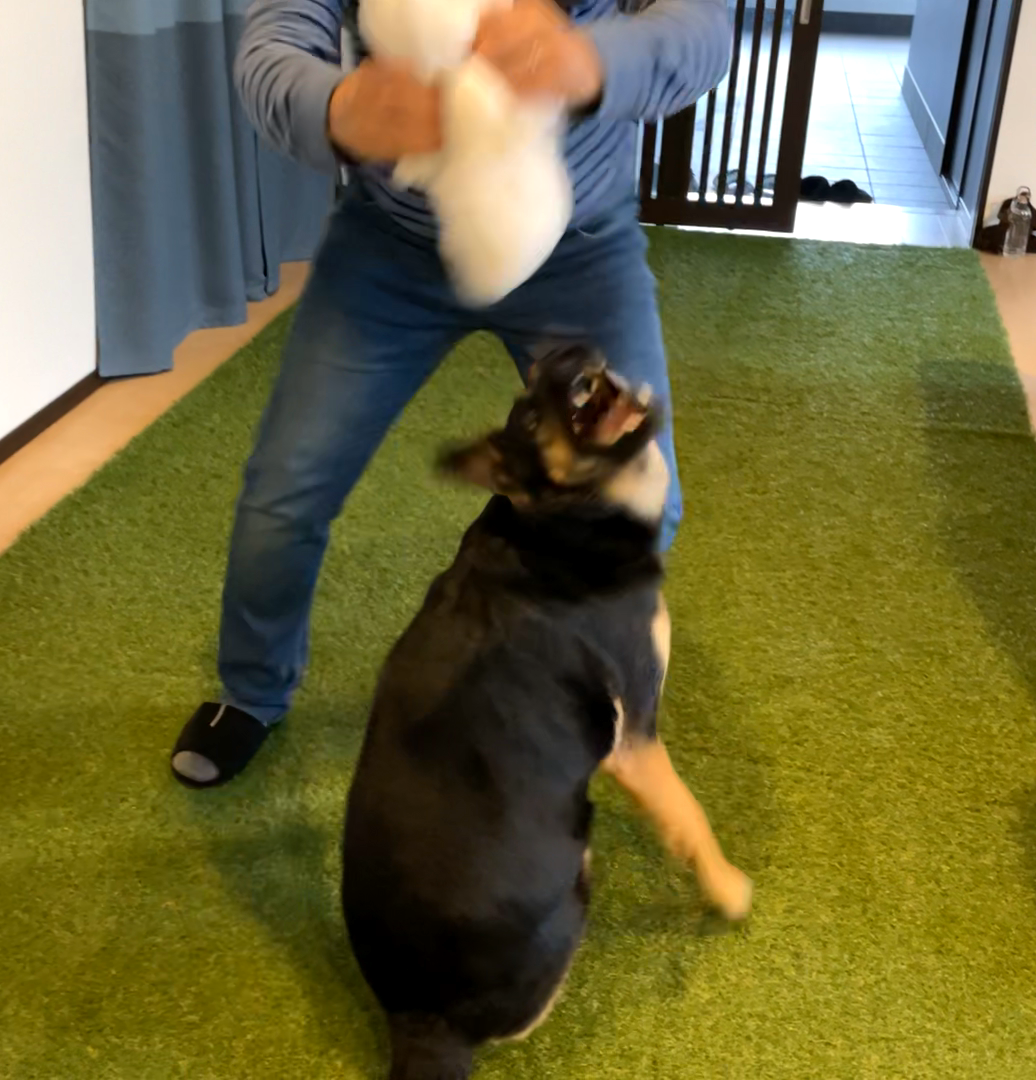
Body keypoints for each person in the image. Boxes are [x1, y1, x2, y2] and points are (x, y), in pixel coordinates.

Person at [171, 0, 731, 787]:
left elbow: (702, 27)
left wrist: (588, 61)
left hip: (577, 243)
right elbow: (275, 37)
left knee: (644, 498)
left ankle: (576, 679)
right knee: (286, 491)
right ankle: (253, 690)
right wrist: (336, 107)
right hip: (390, 244)